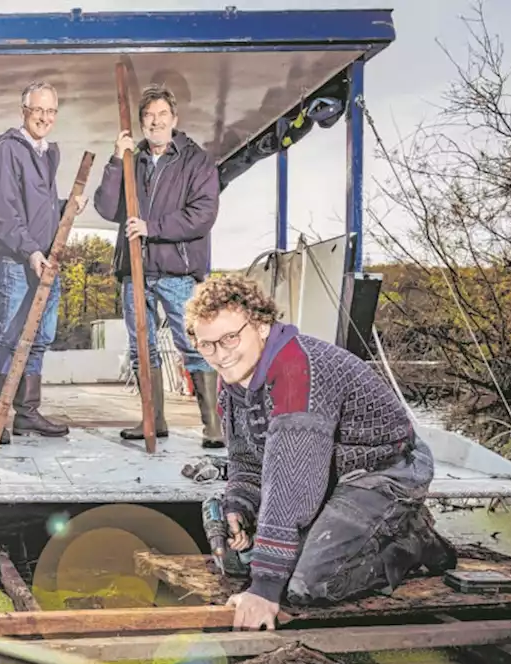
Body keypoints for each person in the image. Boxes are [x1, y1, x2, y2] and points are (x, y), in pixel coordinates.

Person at [184, 275, 458, 631]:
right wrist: (240, 504)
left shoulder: (297, 368)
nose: (220, 354)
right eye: (207, 345)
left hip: (383, 471)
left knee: (306, 585)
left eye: (230, 338)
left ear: (262, 325)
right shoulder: (233, 379)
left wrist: (265, 590)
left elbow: (293, 483)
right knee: (243, 562)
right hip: (327, 475)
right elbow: (248, 460)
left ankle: (411, 539)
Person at [92, 84, 223, 447]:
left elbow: (203, 215)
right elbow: (105, 207)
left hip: (178, 272)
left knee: (194, 346)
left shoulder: (196, 160)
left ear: (174, 119)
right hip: (134, 272)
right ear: (141, 123)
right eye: (149, 116)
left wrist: (153, 229)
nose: (156, 122)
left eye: (162, 115)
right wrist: (117, 159)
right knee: (141, 348)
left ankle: (213, 425)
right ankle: (153, 420)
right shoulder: (131, 161)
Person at [0, 81, 87, 444]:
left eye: (50, 111)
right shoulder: (7, 151)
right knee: (7, 338)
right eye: (37, 109)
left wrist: (65, 209)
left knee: (40, 338)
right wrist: (30, 251)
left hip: (47, 260)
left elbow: (37, 210)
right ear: (23, 110)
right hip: (18, 261)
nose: (43, 117)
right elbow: (5, 215)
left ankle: (26, 414)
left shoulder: (46, 153)